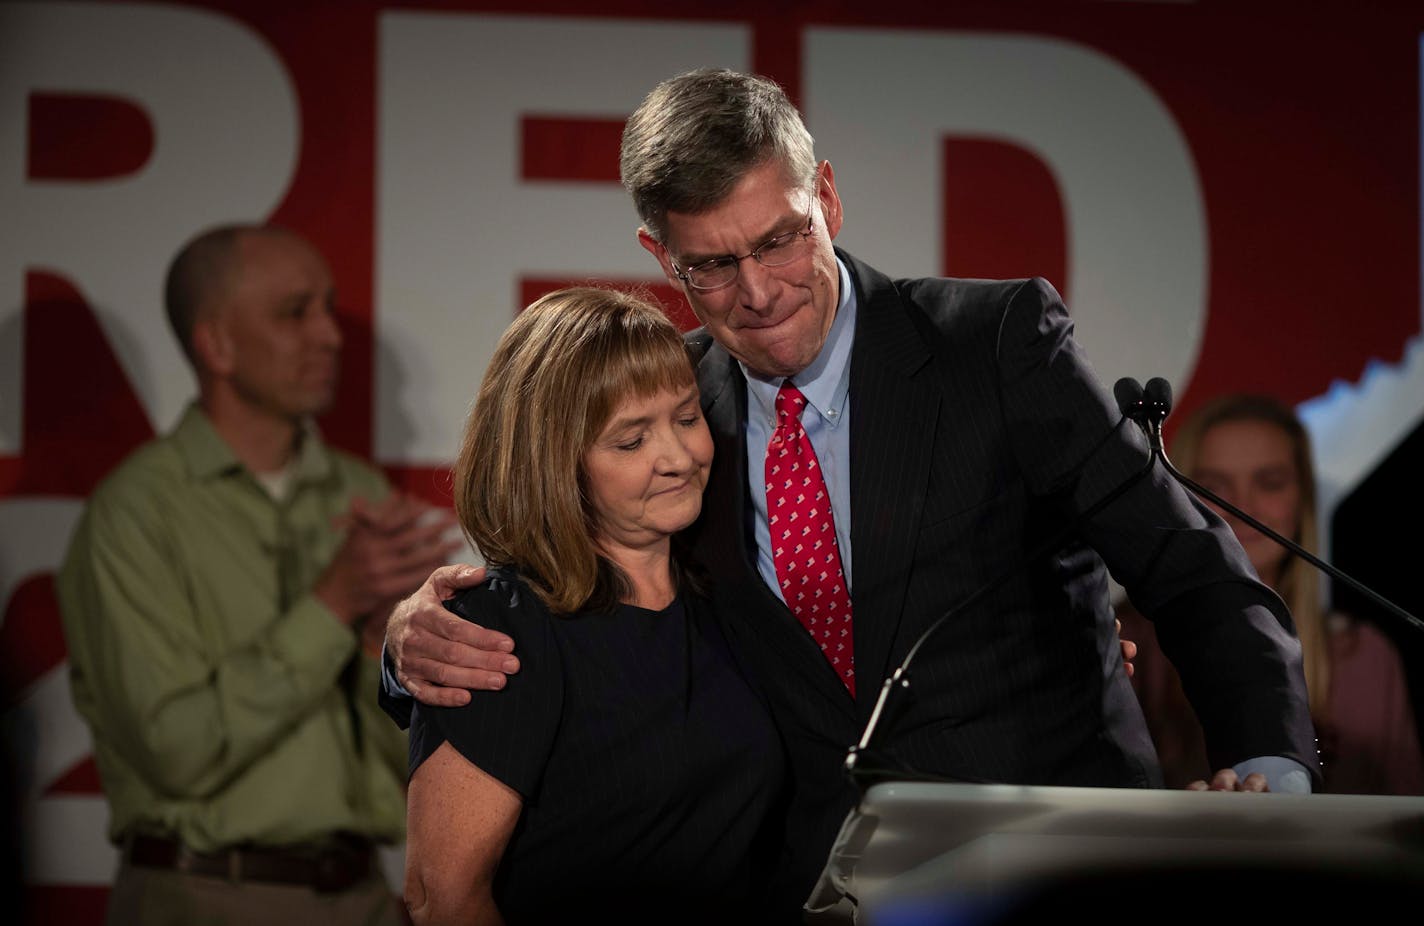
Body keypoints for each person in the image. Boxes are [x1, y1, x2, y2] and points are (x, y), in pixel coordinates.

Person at [381, 68, 1319, 913]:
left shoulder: (992, 344)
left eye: (781, 239)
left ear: (826, 195)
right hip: (823, 892)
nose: (758, 291)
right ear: (661, 254)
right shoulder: (677, 413)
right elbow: (581, 612)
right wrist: (410, 644)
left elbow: (1189, 568)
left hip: (1054, 862)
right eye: (712, 264)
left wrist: (1269, 767)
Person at [56, 223, 461, 925]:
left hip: (364, 896)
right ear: (216, 344)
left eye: (328, 309)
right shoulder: (135, 514)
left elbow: (407, 763)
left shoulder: (357, 495)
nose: (331, 336)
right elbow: (174, 751)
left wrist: (382, 649)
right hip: (203, 899)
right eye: (294, 312)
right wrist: (332, 605)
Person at [402, 286, 787, 925]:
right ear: (556, 464)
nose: (678, 458)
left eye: (687, 418)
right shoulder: (502, 628)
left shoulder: (726, 593)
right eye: (631, 442)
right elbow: (440, 896)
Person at [1118, 394, 1424, 794]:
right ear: (1178, 497)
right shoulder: (1135, 643)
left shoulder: (1367, 656)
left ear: (1303, 501)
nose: (1243, 505)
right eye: (1214, 485)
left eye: (1270, 482)